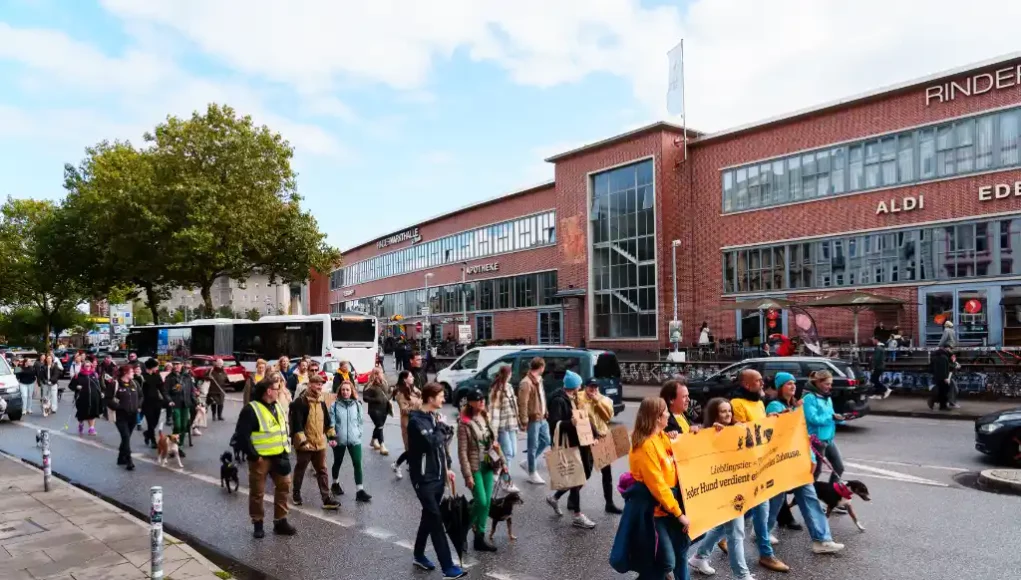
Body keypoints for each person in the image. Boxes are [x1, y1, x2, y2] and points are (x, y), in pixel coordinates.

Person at [765, 373, 845, 555]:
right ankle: (762, 530)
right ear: (780, 387)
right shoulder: (775, 406)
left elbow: (802, 434)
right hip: (783, 462)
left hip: (799, 460)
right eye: (787, 384)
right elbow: (770, 430)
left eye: (794, 383)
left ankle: (822, 540)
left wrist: (812, 458)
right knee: (776, 499)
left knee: (809, 498)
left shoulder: (796, 407)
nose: (792, 386)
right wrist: (777, 418)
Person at [728, 369, 790, 573]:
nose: (762, 383)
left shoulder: (759, 402)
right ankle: (766, 554)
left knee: (745, 509)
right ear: (746, 384)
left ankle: (706, 548)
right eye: (758, 381)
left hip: (760, 462)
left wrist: (771, 419)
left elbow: (760, 430)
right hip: (746, 465)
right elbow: (742, 432)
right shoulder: (737, 404)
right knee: (759, 509)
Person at [689, 397, 754, 579]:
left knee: (721, 527)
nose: (728, 414)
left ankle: (699, 556)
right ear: (714, 414)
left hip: (738, 485)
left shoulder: (736, 429)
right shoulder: (708, 433)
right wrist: (708, 434)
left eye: (729, 411)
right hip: (723, 489)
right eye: (723, 411)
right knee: (736, 532)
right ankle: (742, 575)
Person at [407, 383, 467, 580]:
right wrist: (441, 427)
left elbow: (441, 445)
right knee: (436, 520)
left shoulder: (433, 417)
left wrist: (447, 467)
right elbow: (431, 442)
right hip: (423, 479)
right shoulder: (416, 421)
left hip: (439, 477)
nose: (444, 399)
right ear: (430, 398)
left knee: (428, 516)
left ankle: (418, 554)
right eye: (441, 396)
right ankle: (448, 567)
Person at [629, 396, 691, 580]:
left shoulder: (660, 436)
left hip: (666, 508)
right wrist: (679, 514)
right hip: (654, 511)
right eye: (665, 412)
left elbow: (679, 452)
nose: (668, 415)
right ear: (657, 417)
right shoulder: (646, 446)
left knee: (680, 548)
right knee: (666, 562)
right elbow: (658, 485)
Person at [233, 375, 297, 538]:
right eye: (277, 389)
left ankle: (280, 521)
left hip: (279, 456)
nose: (279, 391)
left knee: (284, 486)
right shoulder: (251, 409)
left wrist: (286, 450)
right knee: (258, 492)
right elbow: (242, 436)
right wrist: (255, 456)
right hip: (260, 459)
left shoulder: (278, 406)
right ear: (269, 391)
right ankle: (258, 523)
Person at [545, 370, 596, 529]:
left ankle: (555, 498)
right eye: (579, 384)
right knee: (577, 477)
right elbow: (554, 424)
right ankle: (577, 515)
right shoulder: (559, 401)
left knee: (583, 474)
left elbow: (581, 418)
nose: (581, 386)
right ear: (573, 386)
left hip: (578, 442)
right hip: (568, 444)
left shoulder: (572, 397)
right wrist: (570, 423)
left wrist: (594, 434)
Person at [457, 388, 504, 552]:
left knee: (487, 503)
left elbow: (494, 443)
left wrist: (502, 462)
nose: (482, 402)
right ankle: (462, 530)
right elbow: (462, 451)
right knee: (481, 501)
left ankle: (479, 538)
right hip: (474, 466)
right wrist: (468, 475)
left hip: (488, 464)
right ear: (470, 402)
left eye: (483, 399)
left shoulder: (485, 416)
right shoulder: (464, 423)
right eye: (478, 399)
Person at [288, 374, 340, 510]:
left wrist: (332, 437)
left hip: (320, 444)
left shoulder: (321, 402)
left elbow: (327, 423)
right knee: (301, 470)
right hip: (306, 445)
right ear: (310, 384)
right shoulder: (301, 402)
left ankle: (326, 498)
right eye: (317, 384)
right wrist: (303, 443)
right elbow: (297, 424)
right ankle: (296, 494)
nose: (319, 386)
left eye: (321, 384)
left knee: (322, 471)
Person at [580, 378, 622, 514]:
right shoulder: (579, 399)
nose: (593, 390)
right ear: (585, 387)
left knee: (607, 473)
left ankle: (609, 503)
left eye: (596, 388)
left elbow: (608, 416)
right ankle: (571, 498)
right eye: (591, 387)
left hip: (603, 437)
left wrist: (597, 401)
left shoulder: (604, 399)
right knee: (585, 472)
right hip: (588, 439)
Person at [330, 379, 372, 502]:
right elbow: (331, 424)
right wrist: (332, 438)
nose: (345, 392)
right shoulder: (335, 405)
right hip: (339, 439)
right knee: (337, 462)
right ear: (340, 391)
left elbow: (360, 422)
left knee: (357, 463)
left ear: (351, 391)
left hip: (355, 439)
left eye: (347, 390)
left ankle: (360, 490)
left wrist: (359, 433)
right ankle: (335, 484)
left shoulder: (357, 405)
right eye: (343, 390)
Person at [803, 370, 846, 482]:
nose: (829, 387)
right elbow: (813, 419)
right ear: (818, 382)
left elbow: (830, 416)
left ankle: (833, 493)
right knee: (816, 471)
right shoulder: (809, 398)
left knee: (839, 467)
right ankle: (805, 498)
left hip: (828, 439)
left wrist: (839, 419)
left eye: (830, 384)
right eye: (827, 384)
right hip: (816, 440)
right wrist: (832, 418)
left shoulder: (827, 397)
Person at [487, 364, 521, 492]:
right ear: (508, 374)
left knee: (513, 452)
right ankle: (506, 481)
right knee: (508, 453)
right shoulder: (497, 390)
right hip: (502, 426)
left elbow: (514, 407)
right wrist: (494, 435)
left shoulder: (509, 387)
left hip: (511, 425)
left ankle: (499, 473)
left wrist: (519, 422)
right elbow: (494, 413)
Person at [518, 357, 551, 485]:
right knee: (532, 446)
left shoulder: (539, 380)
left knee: (546, 440)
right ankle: (532, 472)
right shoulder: (526, 383)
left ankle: (527, 462)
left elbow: (542, 397)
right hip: (533, 418)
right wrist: (524, 421)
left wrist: (545, 410)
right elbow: (523, 403)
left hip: (542, 417)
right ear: (541, 367)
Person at [107, 364, 140, 470]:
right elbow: (107, 399)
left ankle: (121, 458)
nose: (134, 373)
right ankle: (129, 460)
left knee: (126, 438)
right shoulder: (115, 384)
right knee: (125, 436)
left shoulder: (135, 383)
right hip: (120, 416)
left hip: (133, 415)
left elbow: (141, 396)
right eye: (132, 372)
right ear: (125, 373)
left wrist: (138, 406)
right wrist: (118, 406)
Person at [392, 369, 422, 480]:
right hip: (408, 423)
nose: (413, 378)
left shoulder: (413, 388)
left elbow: (422, 397)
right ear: (405, 379)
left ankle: (413, 467)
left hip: (418, 421)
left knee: (417, 447)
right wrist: (418, 405)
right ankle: (397, 465)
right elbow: (404, 410)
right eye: (410, 376)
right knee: (411, 448)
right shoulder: (400, 393)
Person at [165, 359, 194, 455]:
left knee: (184, 426)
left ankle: (179, 445)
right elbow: (166, 392)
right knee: (177, 425)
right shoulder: (169, 377)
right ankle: (174, 443)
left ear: (182, 365)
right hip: (175, 404)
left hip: (185, 404)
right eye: (174, 364)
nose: (176, 366)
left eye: (178, 364)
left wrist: (195, 401)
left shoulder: (187, 376)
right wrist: (169, 400)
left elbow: (191, 390)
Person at [362, 366, 392, 456]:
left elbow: (387, 396)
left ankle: (373, 440)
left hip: (384, 409)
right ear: (376, 374)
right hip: (374, 410)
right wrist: (375, 399)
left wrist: (392, 393)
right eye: (381, 372)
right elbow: (365, 398)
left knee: (380, 426)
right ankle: (382, 445)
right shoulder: (369, 385)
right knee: (379, 425)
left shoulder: (385, 383)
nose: (382, 374)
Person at [70, 360, 105, 435]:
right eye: (86, 366)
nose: (88, 367)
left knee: (93, 412)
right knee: (82, 413)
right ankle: (81, 424)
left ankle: (91, 428)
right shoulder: (78, 375)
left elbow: (98, 385)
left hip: (93, 397)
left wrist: (101, 392)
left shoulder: (94, 374)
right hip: (82, 398)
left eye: (89, 366)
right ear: (83, 366)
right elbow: (71, 386)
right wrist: (76, 387)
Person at [140, 358, 166, 448]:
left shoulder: (157, 375)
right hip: (146, 402)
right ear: (151, 367)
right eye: (156, 366)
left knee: (155, 421)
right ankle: (153, 440)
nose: (157, 368)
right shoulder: (142, 376)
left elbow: (161, 388)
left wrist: (167, 398)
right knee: (150, 422)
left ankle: (147, 434)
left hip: (157, 401)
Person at [928, 345, 953, 411]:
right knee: (944, 391)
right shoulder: (943, 357)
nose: (950, 350)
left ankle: (936, 401)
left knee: (941, 391)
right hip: (942, 377)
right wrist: (945, 378)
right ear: (946, 349)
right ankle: (942, 406)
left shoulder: (936, 357)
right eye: (950, 349)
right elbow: (944, 368)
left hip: (937, 376)